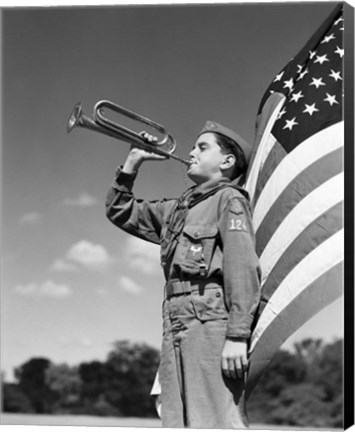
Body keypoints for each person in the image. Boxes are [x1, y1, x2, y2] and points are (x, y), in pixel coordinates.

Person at [105, 120, 261, 428]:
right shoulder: (177, 209)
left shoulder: (229, 199)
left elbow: (241, 266)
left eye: (202, 148)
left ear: (227, 162)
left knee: (214, 418)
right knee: (176, 419)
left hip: (210, 319)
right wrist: (134, 160)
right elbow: (119, 209)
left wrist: (237, 335)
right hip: (174, 318)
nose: (191, 153)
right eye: (193, 147)